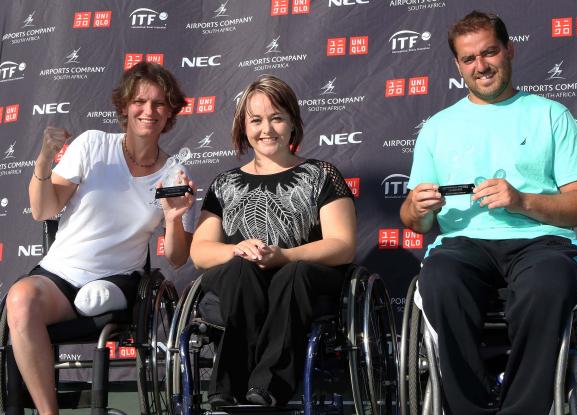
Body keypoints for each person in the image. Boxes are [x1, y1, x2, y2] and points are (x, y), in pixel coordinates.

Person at [399, 11, 577, 415]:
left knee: (548, 285)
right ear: (458, 65)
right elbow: (413, 221)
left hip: (539, 242)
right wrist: (418, 209)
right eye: (469, 58)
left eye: (489, 52)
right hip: (462, 245)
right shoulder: (437, 127)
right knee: (438, 280)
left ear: (509, 50)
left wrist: (522, 200)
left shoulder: (551, 115)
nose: (481, 66)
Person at [6, 61, 197, 415]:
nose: (148, 111)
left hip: (121, 279)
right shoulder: (93, 145)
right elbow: (43, 209)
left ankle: (102, 298)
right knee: (20, 299)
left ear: (170, 112)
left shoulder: (176, 172)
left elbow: (177, 258)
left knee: (99, 296)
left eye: (159, 103)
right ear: (124, 107)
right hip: (61, 275)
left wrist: (172, 218)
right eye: (140, 101)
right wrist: (44, 162)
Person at [190, 75, 356, 407]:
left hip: (303, 278)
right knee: (241, 269)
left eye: (277, 117)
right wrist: (237, 248)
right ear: (243, 127)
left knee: (293, 274)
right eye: (256, 120)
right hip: (240, 278)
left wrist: (285, 255)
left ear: (293, 122)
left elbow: (343, 244)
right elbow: (200, 252)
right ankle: (227, 386)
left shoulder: (322, 174)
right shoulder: (225, 183)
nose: (267, 129)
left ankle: (268, 386)